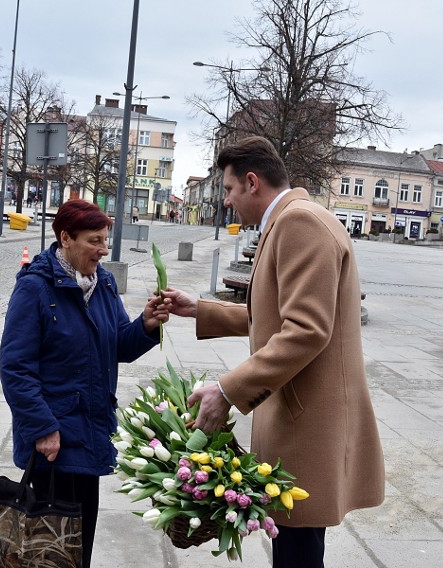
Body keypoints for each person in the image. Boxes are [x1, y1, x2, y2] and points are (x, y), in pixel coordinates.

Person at [162, 136, 384, 568]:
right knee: (294, 551)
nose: (226, 201)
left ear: (251, 182)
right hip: (298, 419)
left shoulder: (300, 224)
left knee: (297, 555)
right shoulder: (291, 219)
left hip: (307, 427)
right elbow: (275, 315)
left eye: (227, 190)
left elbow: (305, 330)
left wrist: (226, 391)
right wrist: (202, 310)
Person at [0, 199, 168, 568]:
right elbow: (15, 368)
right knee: (51, 546)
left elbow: (118, 345)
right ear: (66, 238)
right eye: (95, 240)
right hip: (54, 442)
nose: (103, 249)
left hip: (91, 431)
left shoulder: (103, 282)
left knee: (78, 542)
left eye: (105, 239)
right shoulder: (36, 288)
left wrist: (146, 325)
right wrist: (42, 428)